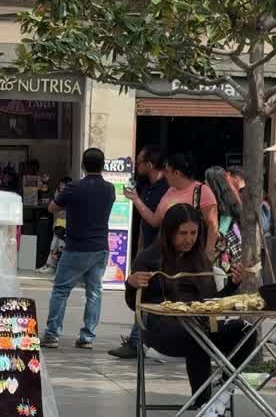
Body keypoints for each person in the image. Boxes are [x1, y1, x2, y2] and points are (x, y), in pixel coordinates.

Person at [124, 203, 249, 417]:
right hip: (162, 329)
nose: (188, 240)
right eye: (183, 233)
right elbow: (135, 305)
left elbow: (211, 303)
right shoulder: (149, 258)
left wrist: (233, 284)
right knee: (196, 334)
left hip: (200, 324)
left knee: (245, 332)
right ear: (169, 232)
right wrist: (131, 284)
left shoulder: (200, 260)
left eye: (193, 233)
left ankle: (217, 402)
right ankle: (204, 408)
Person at [43, 148, 115, 349]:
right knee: (94, 292)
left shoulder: (73, 188)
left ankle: (52, 334)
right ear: (102, 166)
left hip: (76, 247)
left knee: (60, 290)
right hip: (100, 248)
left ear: (83, 165)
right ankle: (87, 337)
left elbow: (52, 208)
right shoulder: (109, 189)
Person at [111, 146, 169, 360]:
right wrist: (140, 252)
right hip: (148, 251)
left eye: (140, 162)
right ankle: (138, 341)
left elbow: (154, 218)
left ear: (150, 165)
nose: (137, 166)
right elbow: (145, 224)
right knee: (143, 295)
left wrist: (136, 200)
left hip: (161, 252)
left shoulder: (166, 189)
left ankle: (138, 342)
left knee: (149, 295)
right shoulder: (148, 187)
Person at [156, 154, 219, 253]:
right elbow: (155, 221)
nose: (164, 174)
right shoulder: (170, 191)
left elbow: (213, 225)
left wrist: (208, 254)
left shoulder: (202, 191)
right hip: (169, 253)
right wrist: (135, 199)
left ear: (176, 173)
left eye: (167, 171)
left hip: (193, 253)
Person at [204, 166, 245, 276]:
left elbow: (221, 232)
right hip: (234, 248)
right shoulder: (231, 201)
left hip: (227, 253)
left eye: (207, 180)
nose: (204, 183)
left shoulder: (223, 207)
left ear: (213, 183)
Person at [36, 176, 71, 275]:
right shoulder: (59, 195)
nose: (60, 187)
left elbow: (55, 209)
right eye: (59, 185)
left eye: (62, 185)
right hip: (59, 224)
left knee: (57, 244)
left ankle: (51, 265)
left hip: (65, 227)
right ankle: (49, 264)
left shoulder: (69, 195)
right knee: (54, 243)